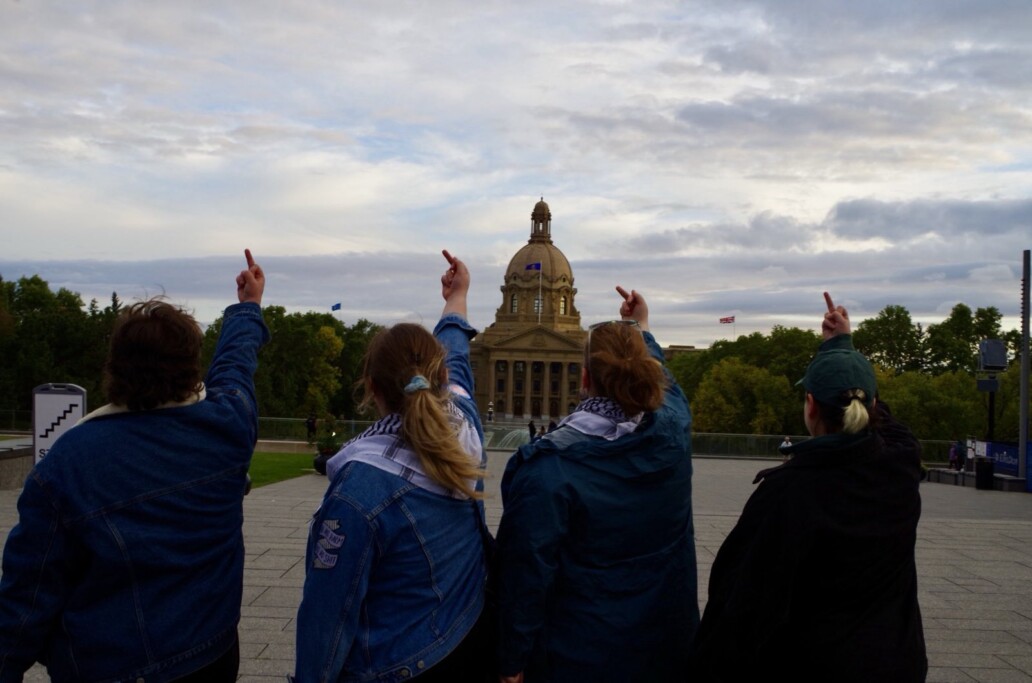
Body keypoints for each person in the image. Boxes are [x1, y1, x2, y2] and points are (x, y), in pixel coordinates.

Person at [0, 250, 269, 681]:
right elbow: (236, 366)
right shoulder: (228, 426)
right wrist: (247, 306)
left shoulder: (69, 461)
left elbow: (28, 592)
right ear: (189, 369)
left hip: (110, 666)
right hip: (211, 655)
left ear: (116, 366)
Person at [689, 292, 927, 682]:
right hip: (894, 664)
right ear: (871, 405)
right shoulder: (901, 469)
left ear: (810, 406)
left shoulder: (789, 493)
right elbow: (890, 425)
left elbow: (742, 606)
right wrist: (843, 347)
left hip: (814, 666)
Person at [294, 250, 490, 682]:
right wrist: (457, 298)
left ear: (371, 389)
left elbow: (328, 616)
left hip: (395, 665)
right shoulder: (465, 427)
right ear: (442, 379)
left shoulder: (358, 491)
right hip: (467, 637)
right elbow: (455, 352)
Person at [495, 286, 698, 683]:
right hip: (665, 647)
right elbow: (667, 388)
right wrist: (640, 330)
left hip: (579, 654)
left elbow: (524, 575)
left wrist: (510, 659)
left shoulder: (548, 468)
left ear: (584, 377)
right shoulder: (676, 428)